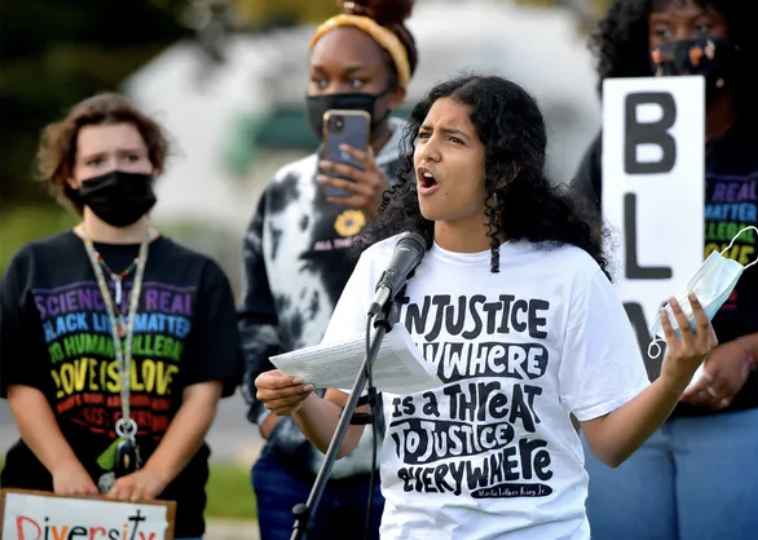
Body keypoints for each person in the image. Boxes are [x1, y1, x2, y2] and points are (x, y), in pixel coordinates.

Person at [254, 74, 718, 538]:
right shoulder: (385, 267)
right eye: (424, 135)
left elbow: (611, 444)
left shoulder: (567, 273)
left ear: (503, 169)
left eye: (453, 139)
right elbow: (342, 431)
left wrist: (675, 375)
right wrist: (298, 402)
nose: (427, 151)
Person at [571, 1, 758, 539]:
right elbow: (571, 275)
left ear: (752, 38)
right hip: (629, 420)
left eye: (703, 27)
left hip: (748, 422)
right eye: (662, 30)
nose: (679, 45)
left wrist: (746, 352)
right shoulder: (612, 152)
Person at [0, 93, 244, 540]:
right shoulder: (34, 266)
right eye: (96, 160)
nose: (115, 169)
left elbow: (203, 395)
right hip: (48, 503)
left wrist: (153, 476)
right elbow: (21, 383)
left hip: (166, 506)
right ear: (70, 175)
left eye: (130, 156)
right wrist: (64, 468)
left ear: (153, 164)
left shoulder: (200, 274)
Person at [238, 1, 419, 538]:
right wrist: (270, 416)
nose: (331, 91)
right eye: (319, 79)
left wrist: (383, 208)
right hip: (295, 467)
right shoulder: (284, 188)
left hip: (403, 463)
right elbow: (255, 314)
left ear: (393, 92)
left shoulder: (428, 170)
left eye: (354, 78)